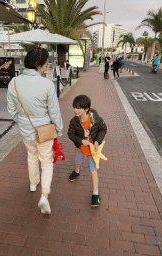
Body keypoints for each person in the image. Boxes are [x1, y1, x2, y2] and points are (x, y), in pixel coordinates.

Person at [7, 47, 63, 215]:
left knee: (31, 155)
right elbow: (54, 111)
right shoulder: (46, 84)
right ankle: (44, 196)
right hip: (44, 131)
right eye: (46, 65)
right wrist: (58, 130)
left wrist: (21, 121)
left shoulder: (14, 82)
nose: (46, 68)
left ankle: (33, 184)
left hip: (25, 131)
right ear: (38, 65)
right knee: (46, 161)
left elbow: (11, 109)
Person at [67, 95, 107, 207]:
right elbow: (70, 134)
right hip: (80, 148)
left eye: (78, 108)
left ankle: (95, 194)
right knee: (76, 160)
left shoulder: (95, 119)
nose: (75, 110)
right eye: (74, 107)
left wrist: (97, 142)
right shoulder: (74, 121)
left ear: (86, 109)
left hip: (92, 151)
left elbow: (103, 129)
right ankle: (76, 171)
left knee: (92, 170)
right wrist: (80, 141)